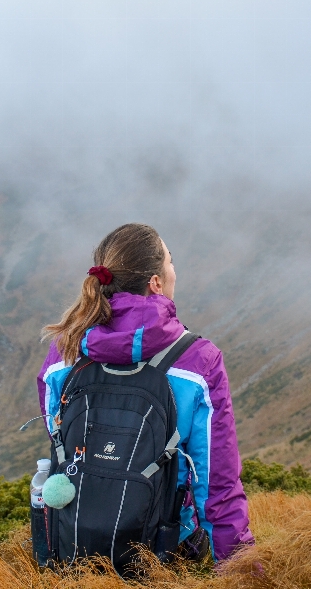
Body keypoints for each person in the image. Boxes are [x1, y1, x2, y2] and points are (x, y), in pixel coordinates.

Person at [36, 223, 254, 563]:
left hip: (72, 541)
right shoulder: (199, 361)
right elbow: (216, 484)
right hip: (164, 551)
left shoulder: (63, 351)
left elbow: (59, 436)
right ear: (156, 282)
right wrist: (241, 571)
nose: (174, 271)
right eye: (170, 262)